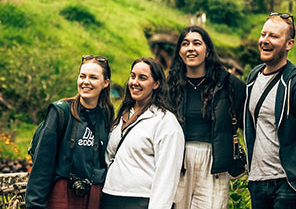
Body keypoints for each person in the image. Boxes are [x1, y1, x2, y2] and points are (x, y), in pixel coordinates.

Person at [167, 25, 246, 209]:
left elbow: (248, 122)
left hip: (214, 162)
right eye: (185, 44)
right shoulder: (169, 84)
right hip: (178, 161)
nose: (191, 48)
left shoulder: (228, 83)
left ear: (207, 50)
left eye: (197, 43)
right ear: (179, 51)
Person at [25, 55, 114, 209]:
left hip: (94, 196)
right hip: (63, 194)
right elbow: (42, 165)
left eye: (93, 77)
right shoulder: (60, 112)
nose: (86, 82)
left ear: (105, 82)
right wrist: (34, 205)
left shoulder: (105, 115)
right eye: (82, 76)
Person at [101, 57, 185, 209]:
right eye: (132, 76)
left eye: (142, 78)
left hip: (141, 200)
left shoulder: (165, 122)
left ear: (156, 84)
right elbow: (109, 157)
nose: (135, 82)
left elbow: (167, 174)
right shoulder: (122, 116)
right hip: (110, 196)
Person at [244, 12, 296, 208]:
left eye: (273, 36)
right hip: (257, 181)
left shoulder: (293, 82)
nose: (265, 40)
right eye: (263, 34)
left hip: (286, 183)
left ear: (289, 44)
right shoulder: (253, 77)